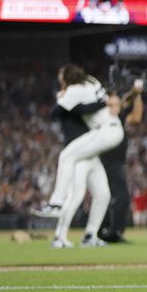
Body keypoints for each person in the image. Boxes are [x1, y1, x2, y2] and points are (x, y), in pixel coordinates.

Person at [47, 66, 124, 248]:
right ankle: (59, 235)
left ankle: (90, 234)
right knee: (76, 195)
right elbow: (72, 109)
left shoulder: (76, 92)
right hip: (84, 150)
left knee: (103, 194)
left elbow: (67, 108)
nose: (60, 82)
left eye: (61, 78)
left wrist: (103, 103)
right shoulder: (88, 86)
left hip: (90, 147)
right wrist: (104, 102)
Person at [98, 80, 144, 244]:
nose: (116, 107)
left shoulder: (117, 117)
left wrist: (137, 95)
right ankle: (112, 232)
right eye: (112, 104)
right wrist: (133, 95)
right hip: (106, 162)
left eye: (117, 104)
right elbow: (125, 103)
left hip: (115, 162)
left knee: (105, 197)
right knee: (121, 197)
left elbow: (136, 117)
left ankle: (103, 232)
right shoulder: (100, 118)